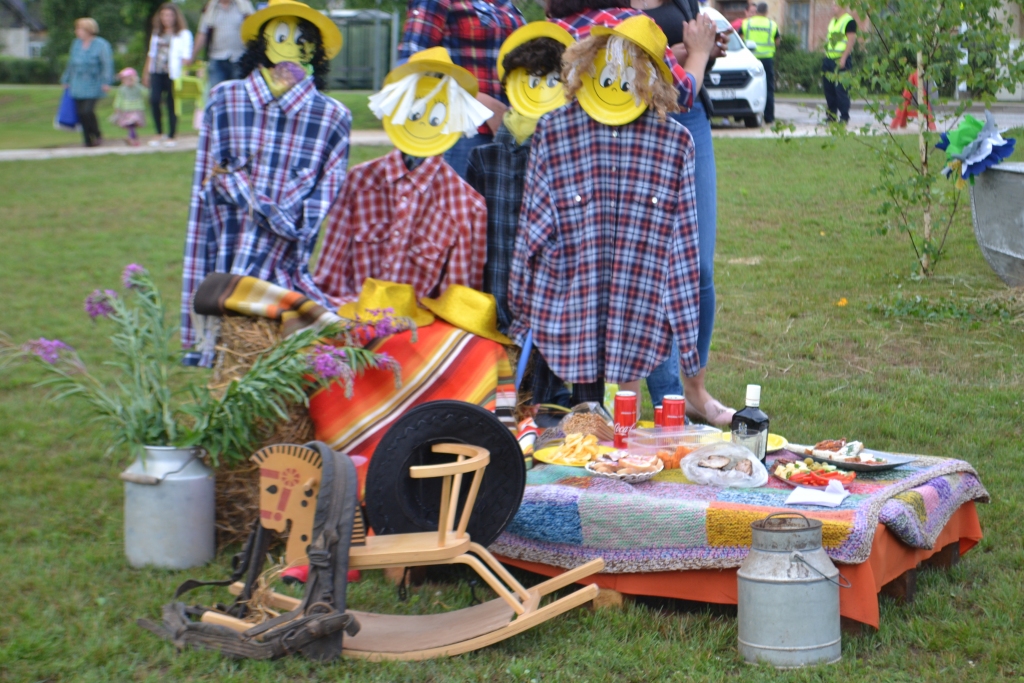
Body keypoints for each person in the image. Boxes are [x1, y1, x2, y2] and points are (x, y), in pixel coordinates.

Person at [180, 0, 351, 366]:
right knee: (230, 387)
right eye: (282, 34)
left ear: (316, 48)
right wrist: (196, 326)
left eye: (302, 37)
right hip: (224, 277)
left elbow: (314, 216)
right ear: (261, 40)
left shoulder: (332, 118)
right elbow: (202, 205)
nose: (290, 46)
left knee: (284, 388)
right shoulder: (224, 101)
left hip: (284, 284)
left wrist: (274, 215)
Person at [397, 0, 526, 178]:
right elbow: (411, 67)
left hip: (507, 131)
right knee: (457, 205)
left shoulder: (506, 4)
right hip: (460, 131)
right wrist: (478, 100)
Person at [144, 3, 193, 147]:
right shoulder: (157, 33)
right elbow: (151, 54)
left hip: (173, 73)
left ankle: (172, 134)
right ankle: (159, 132)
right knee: (154, 100)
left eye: (170, 15)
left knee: (172, 103)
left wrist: (185, 71)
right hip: (157, 71)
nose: (167, 18)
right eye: (164, 15)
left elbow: (186, 56)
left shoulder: (183, 34)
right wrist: (146, 72)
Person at [60, 18, 113, 148]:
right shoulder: (76, 44)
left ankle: (97, 133)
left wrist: (107, 81)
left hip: (94, 82)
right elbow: (71, 63)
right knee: (80, 112)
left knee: (87, 110)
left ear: (88, 30)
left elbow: (107, 64)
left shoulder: (101, 44)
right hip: (77, 82)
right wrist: (66, 79)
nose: (77, 32)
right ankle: (87, 139)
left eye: (80, 29)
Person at [193, 0, 255, 89]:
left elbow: (254, 28)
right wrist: (193, 55)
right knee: (217, 94)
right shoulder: (210, 8)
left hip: (240, 58)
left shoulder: (244, 5)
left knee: (239, 94)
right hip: (216, 58)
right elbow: (203, 33)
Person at [741, 3, 778, 124]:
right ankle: (769, 117)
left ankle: (745, 114)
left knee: (747, 86)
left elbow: (740, 37)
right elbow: (777, 41)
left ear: (756, 11)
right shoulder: (772, 24)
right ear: (766, 12)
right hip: (766, 59)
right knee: (768, 87)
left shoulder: (747, 23)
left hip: (750, 59)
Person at [822, 6, 856, 124]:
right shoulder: (833, 22)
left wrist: (843, 58)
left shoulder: (849, 21)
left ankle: (844, 117)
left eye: (835, 5)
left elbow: (851, 41)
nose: (832, 7)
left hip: (841, 59)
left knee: (841, 90)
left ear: (842, 6)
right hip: (829, 59)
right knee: (829, 89)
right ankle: (831, 116)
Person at [112, 67, 147, 146]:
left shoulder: (137, 87)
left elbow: (145, 93)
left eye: (129, 79)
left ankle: (131, 138)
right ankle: (133, 139)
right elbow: (119, 99)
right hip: (127, 109)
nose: (127, 81)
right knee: (131, 125)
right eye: (125, 79)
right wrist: (117, 107)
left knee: (133, 123)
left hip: (137, 109)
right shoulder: (122, 89)